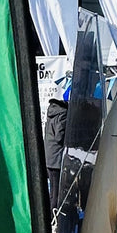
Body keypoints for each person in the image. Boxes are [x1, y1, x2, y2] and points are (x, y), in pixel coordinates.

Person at [44, 86, 69, 218]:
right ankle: (54, 216)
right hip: (56, 158)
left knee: (52, 190)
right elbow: (59, 136)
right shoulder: (64, 114)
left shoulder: (52, 112)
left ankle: (50, 214)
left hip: (49, 155)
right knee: (56, 190)